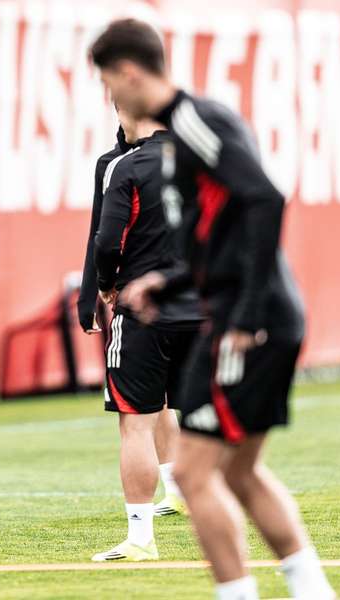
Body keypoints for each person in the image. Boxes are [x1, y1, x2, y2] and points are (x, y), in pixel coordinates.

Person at [90, 18, 336, 599]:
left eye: (106, 81)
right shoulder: (178, 138)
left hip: (246, 324)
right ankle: (312, 590)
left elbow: (264, 197)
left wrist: (246, 314)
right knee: (239, 473)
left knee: (198, 475)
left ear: (128, 72)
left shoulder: (194, 120)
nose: (108, 95)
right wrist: (167, 284)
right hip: (240, 316)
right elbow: (217, 236)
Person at [81, 105, 202, 563]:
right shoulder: (202, 162)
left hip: (143, 314)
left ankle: (140, 538)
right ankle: (221, 521)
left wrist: (107, 284)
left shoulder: (127, 166)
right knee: (210, 423)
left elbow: (107, 240)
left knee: (136, 424)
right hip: (202, 311)